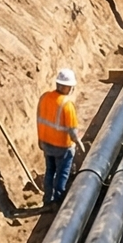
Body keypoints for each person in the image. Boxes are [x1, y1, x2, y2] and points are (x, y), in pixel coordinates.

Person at [37, 69, 83, 205]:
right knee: (62, 174)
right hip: (62, 146)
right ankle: (58, 200)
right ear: (67, 87)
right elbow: (73, 132)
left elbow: (39, 119)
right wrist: (79, 144)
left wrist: (40, 140)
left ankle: (47, 199)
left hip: (46, 143)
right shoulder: (67, 105)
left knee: (50, 171)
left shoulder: (44, 97)